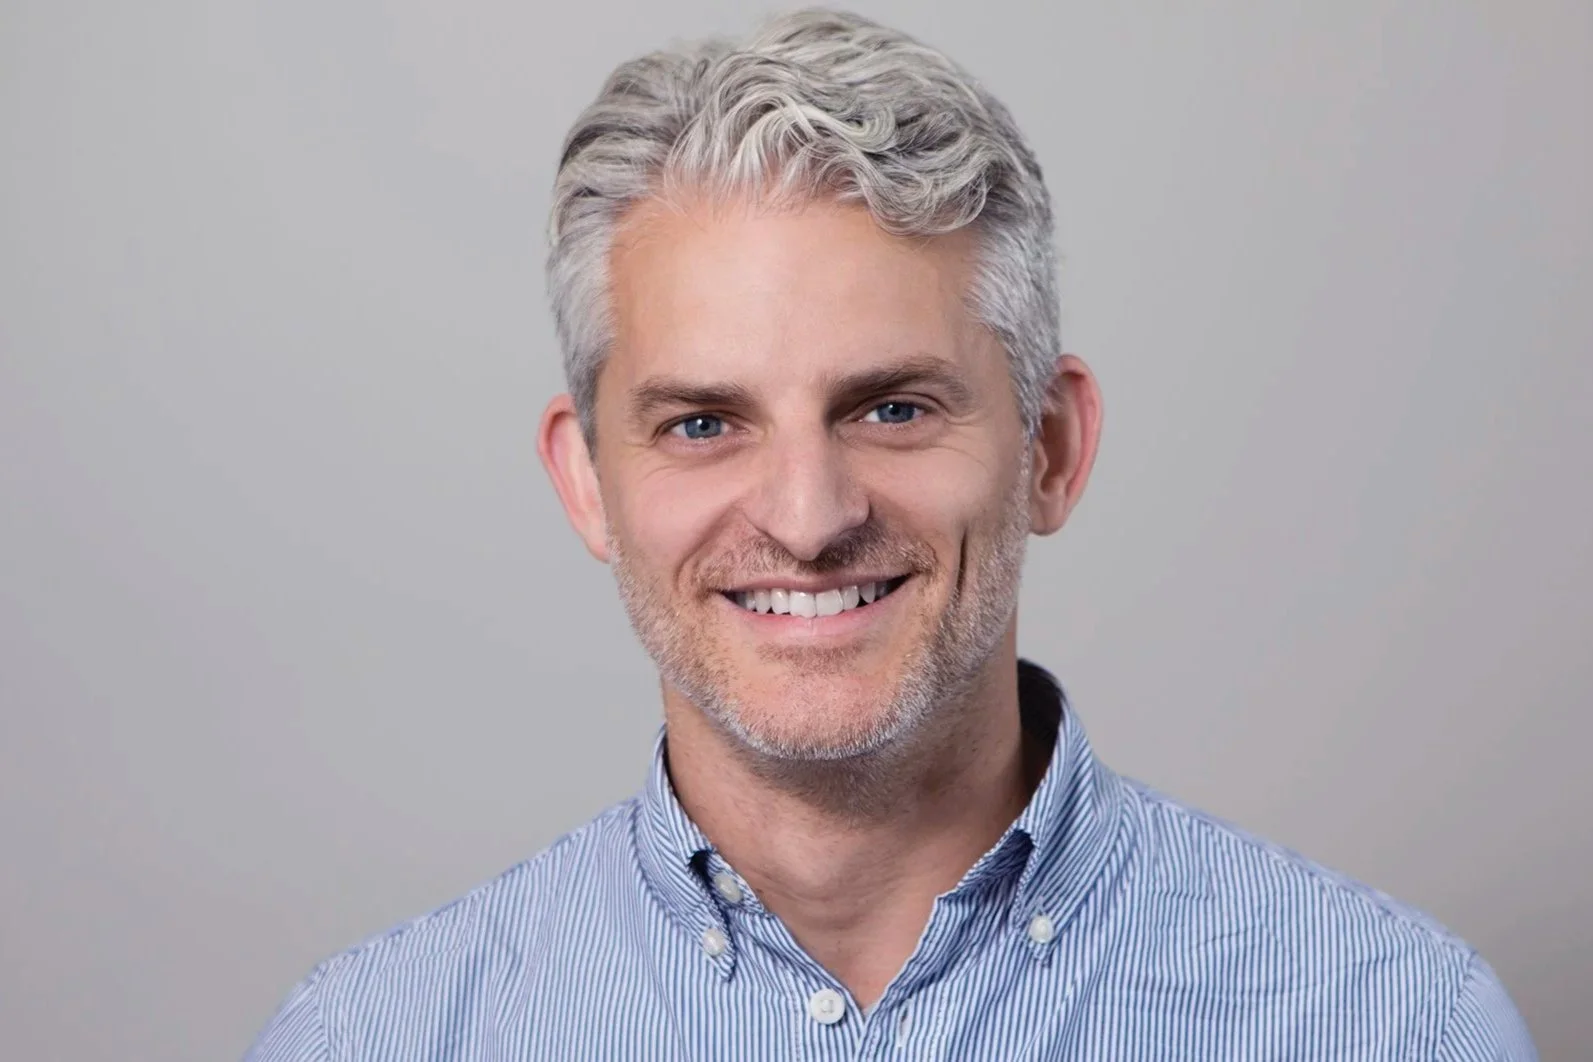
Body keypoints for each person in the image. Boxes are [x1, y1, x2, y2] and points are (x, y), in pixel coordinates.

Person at [246, 9, 1537, 1060]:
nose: (808, 520)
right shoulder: (376, 1038)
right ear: (587, 482)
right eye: (704, 424)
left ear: (1050, 448)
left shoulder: (1392, 1024)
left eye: (894, 407)